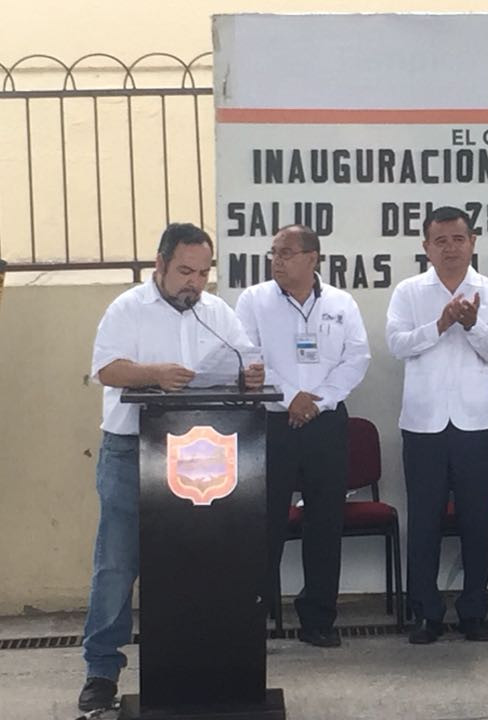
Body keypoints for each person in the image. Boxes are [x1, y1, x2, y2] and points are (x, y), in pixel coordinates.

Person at [80, 223, 264, 712]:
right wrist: (153, 374)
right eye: (185, 271)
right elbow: (106, 370)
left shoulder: (217, 311)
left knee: (202, 558)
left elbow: (247, 358)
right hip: (132, 450)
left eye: (203, 273)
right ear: (159, 264)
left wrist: (252, 374)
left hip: (203, 450)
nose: (195, 283)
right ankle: (101, 669)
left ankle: (206, 661)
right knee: (118, 563)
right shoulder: (128, 308)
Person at [235, 224, 370, 647]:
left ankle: (318, 620)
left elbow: (356, 357)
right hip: (273, 423)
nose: (277, 259)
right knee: (265, 524)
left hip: (326, 423)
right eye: (274, 252)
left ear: (313, 258)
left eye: (287, 252)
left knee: (325, 524)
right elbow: (248, 357)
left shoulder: (341, 303)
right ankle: (253, 619)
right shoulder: (254, 300)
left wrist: (319, 401)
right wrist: (292, 398)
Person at [386, 206, 488, 644]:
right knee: (424, 522)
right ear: (426, 248)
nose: (450, 248)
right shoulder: (408, 291)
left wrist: (473, 325)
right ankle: (427, 612)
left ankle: (474, 610)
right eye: (440, 241)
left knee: (478, 522)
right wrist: (440, 324)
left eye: (458, 239)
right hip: (424, 425)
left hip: (477, 425)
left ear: (473, 242)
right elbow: (397, 344)